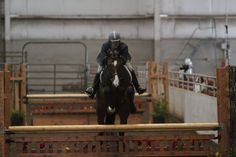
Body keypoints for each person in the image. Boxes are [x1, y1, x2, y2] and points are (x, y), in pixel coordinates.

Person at [85, 31, 146, 113]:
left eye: (117, 42)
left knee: (130, 68)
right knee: (99, 70)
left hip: (120, 62)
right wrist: (108, 59)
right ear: (110, 41)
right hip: (108, 62)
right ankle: (93, 89)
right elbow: (102, 57)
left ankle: (138, 87)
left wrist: (118, 59)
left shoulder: (124, 46)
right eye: (113, 42)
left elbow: (124, 58)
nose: (115, 44)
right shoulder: (105, 46)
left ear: (119, 41)